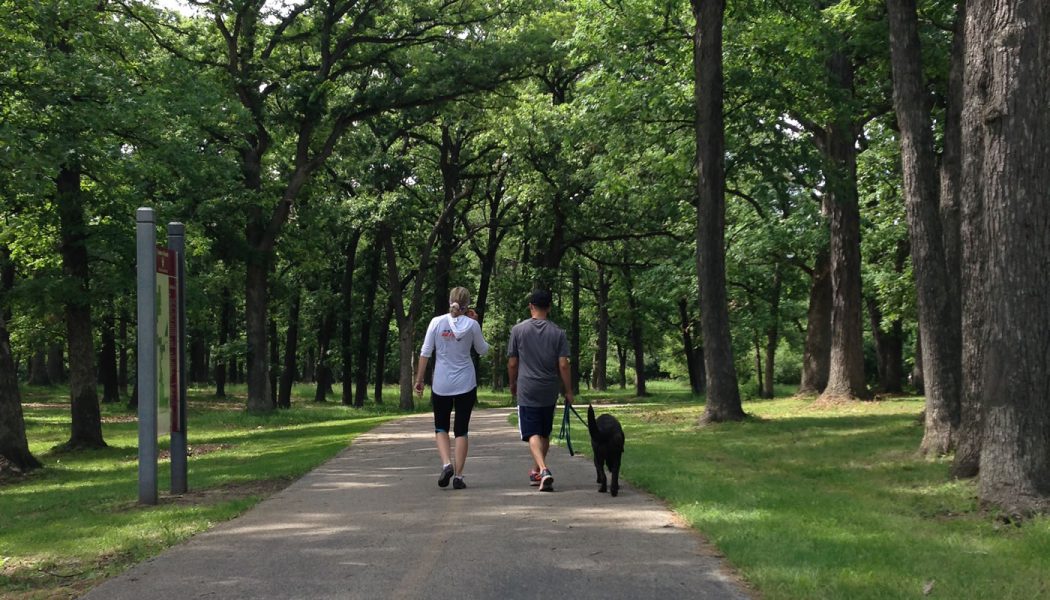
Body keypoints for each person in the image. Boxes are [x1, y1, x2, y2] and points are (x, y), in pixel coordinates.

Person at [415, 287, 490, 490]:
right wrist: (476, 322)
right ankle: (458, 476)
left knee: (441, 427)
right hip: (466, 382)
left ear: (450, 301)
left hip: (441, 383)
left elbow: (425, 352)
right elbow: (482, 350)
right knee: (461, 430)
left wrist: (420, 379)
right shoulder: (472, 325)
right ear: (468, 304)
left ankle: (446, 463)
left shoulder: (436, 322)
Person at [507, 289, 574, 492]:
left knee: (532, 432)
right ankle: (537, 470)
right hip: (549, 388)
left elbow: (512, 363)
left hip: (527, 387)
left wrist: (512, 383)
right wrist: (568, 390)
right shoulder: (558, 333)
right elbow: (563, 364)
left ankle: (543, 470)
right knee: (544, 432)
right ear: (550, 307)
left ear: (531, 307)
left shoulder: (518, 330)